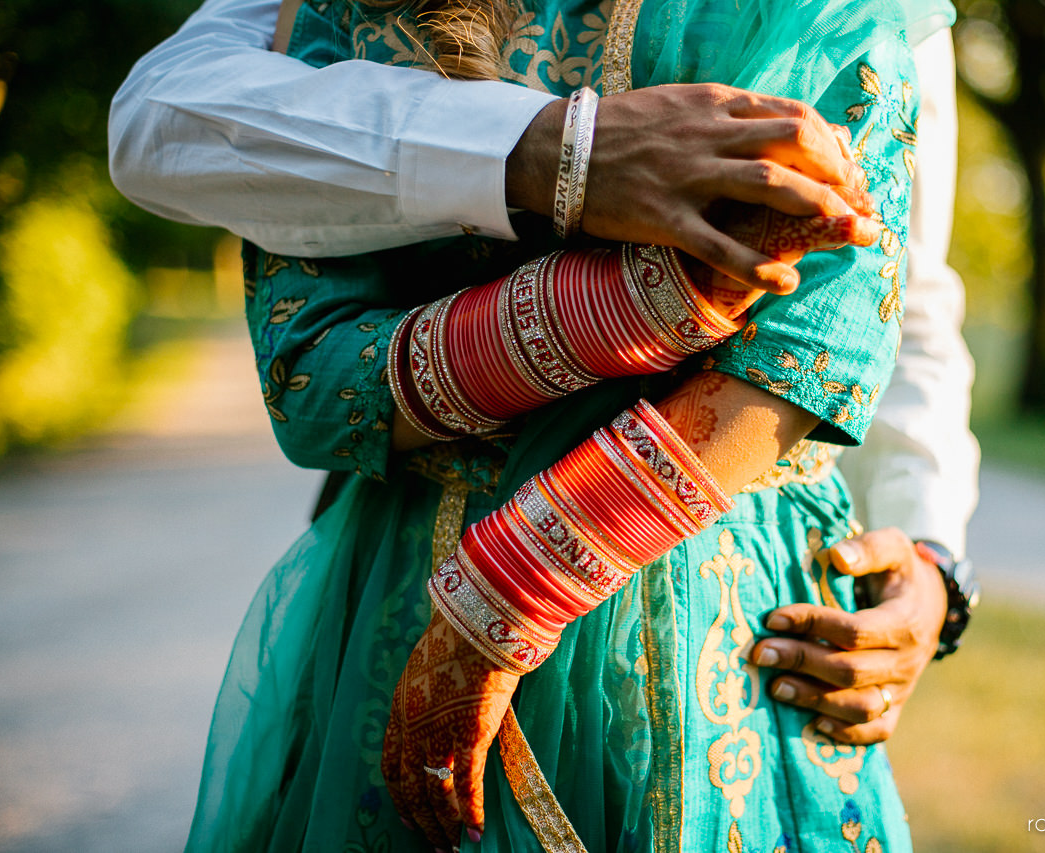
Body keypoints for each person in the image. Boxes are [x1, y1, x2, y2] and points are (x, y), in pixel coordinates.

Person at [109, 0, 981, 849]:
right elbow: (310, 375)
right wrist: (637, 256)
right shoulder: (340, 11)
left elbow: (842, 322)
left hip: (724, 623)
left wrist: (935, 563)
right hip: (401, 598)